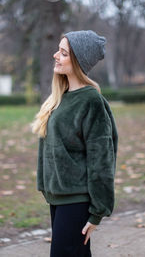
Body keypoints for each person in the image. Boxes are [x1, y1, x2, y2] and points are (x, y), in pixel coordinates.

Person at [31, 30, 118, 257]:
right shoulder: (61, 96)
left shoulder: (91, 101)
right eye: (58, 51)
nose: (55, 56)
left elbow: (102, 159)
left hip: (77, 200)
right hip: (58, 197)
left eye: (63, 53)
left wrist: (97, 213)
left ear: (78, 61)